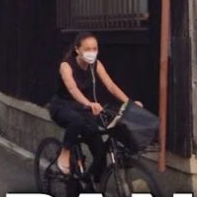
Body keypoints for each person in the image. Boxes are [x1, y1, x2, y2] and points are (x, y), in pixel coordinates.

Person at [48, 31, 143, 177]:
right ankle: (65, 153)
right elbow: (72, 89)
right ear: (77, 49)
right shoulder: (66, 66)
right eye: (87, 49)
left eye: (95, 49)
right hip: (62, 106)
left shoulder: (96, 65)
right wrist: (89, 103)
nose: (92, 53)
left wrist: (129, 103)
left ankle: (94, 185)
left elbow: (110, 85)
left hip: (83, 108)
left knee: (100, 151)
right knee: (76, 121)